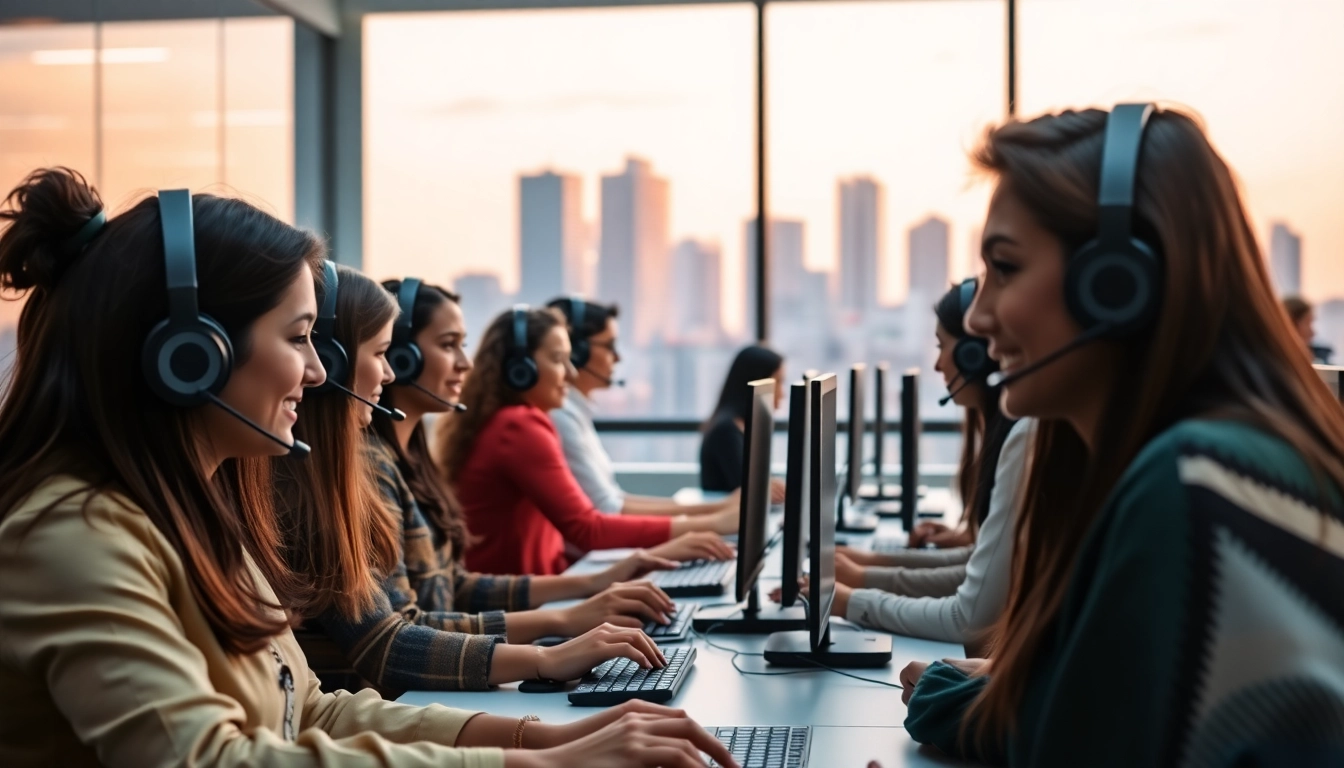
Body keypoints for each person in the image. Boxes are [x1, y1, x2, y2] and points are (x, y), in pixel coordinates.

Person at [0, 167, 737, 767]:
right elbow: (210, 759)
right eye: (298, 339)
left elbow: (312, 709)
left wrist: (544, 739)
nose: (318, 376)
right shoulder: (74, 536)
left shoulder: (194, 509)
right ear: (189, 359)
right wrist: (535, 759)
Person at [897, 105, 1344, 766]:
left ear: (1116, 283)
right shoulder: (1217, 463)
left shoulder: (1188, 487)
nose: (982, 318)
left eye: (1006, 268)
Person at [274, 265, 678, 698]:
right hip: (401, 700)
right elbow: (391, 640)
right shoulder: (354, 470)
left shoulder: (400, 457)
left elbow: (453, 584)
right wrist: (553, 636)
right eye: (382, 354)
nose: (390, 372)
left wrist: (585, 596)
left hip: (416, 696)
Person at [788, 279, 1029, 653]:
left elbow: (967, 615)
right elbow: (980, 566)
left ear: (973, 355)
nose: (937, 362)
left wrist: (854, 597)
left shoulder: (1025, 436)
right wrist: (870, 567)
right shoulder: (1013, 432)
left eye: (941, 346)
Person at [440, 306, 738, 576]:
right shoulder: (518, 426)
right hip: (522, 602)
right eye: (558, 360)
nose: (570, 374)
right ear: (520, 370)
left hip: (540, 586)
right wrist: (711, 524)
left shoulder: (507, 421)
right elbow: (589, 529)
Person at [547, 295, 740, 518]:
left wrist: (717, 509)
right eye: (609, 346)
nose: (618, 357)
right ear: (577, 352)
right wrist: (713, 515)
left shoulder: (577, 412)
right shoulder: (561, 416)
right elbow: (609, 510)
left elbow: (615, 499)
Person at [700, 344, 787, 501]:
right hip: (727, 522)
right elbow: (748, 490)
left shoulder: (747, 427)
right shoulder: (726, 431)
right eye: (778, 382)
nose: (782, 394)